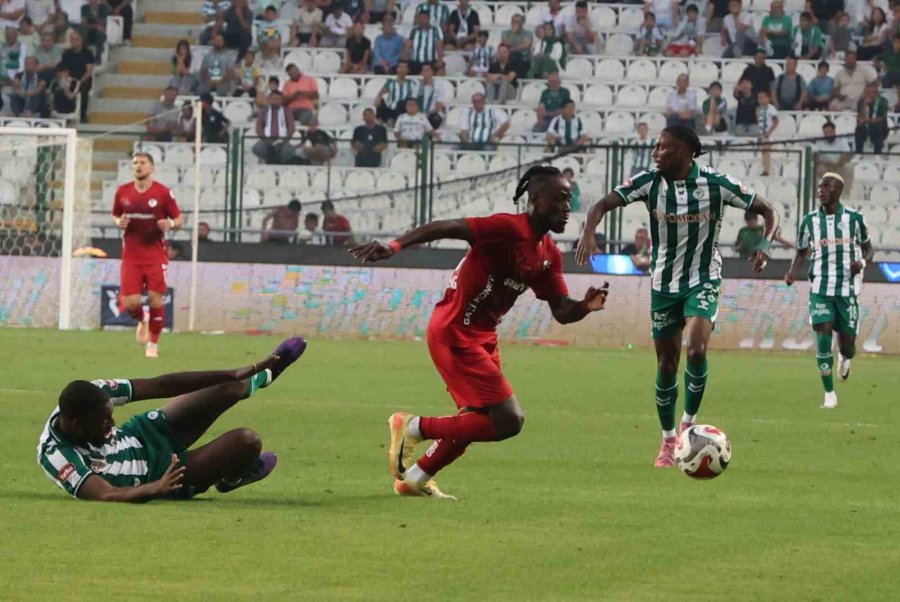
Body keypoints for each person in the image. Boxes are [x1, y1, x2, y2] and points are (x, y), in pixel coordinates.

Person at [349, 165, 609, 499]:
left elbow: (561, 311)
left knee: (477, 419)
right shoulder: (506, 228)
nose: (566, 207)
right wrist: (396, 246)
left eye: (569, 200)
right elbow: (446, 227)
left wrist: (585, 306)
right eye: (559, 199)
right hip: (455, 330)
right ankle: (412, 426)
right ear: (535, 200)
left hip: (484, 336)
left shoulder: (549, 255)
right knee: (508, 419)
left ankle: (414, 478)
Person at [576, 126, 777, 467]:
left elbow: (768, 210)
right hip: (663, 285)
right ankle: (669, 440)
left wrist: (765, 244)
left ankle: (688, 422)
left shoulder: (717, 183)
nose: (655, 153)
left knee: (696, 349)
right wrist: (588, 231)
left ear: (682, 152)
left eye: (661, 148)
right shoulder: (649, 182)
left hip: (703, 279)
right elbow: (601, 204)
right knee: (667, 365)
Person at [36, 339, 306, 501]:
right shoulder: (57, 455)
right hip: (159, 473)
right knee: (247, 441)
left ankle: (268, 372)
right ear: (78, 425)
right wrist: (158, 487)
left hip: (144, 434)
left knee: (230, 387)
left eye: (111, 414)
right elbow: (106, 494)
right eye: (104, 421)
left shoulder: (95, 394)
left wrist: (228, 373)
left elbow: (161, 385)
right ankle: (232, 476)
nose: (111, 422)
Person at [784, 174, 873, 409]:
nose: (821, 189)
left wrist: (861, 263)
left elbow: (868, 249)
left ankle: (844, 357)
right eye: (820, 185)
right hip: (820, 287)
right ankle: (829, 394)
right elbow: (802, 251)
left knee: (848, 345)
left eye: (827, 186)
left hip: (848, 289)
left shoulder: (854, 219)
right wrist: (792, 271)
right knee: (822, 331)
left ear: (838, 191)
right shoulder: (809, 221)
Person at [111, 152, 184, 359]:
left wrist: (169, 224)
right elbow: (115, 214)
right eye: (135, 163)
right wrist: (118, 222)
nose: (138, 166)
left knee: (155, 299)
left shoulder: (162, 193)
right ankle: (142, 318)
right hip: (131, 256)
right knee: (131, 302)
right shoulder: (123, 192)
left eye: (143, 163)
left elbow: (179, 219)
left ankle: (153, 344)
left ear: (152, 168)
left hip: (154, 254)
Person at [253, 89, 296, 164]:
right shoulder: (264, 111)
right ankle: (270, 162)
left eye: (279, 99)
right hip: (266, 140)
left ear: (282, 100)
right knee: (257, 148)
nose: (276, 101)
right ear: (269, 100)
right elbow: (258, 127)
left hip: (282, 140)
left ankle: (279, 164)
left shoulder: (287, 111)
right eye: (274, 99)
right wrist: (264, 138)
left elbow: (291, 127)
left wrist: (285, 139)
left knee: (289, 150)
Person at [60, 29, 93, 121]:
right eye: (72, 39)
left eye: (76, 39)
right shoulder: (66, 54)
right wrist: (65, 83)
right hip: (70, 79)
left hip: (83, 79)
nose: (74, 41)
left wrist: (78, 83)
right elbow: (64, 71)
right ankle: (64, 113)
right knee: (60, 88)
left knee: (83, 89)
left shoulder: (87, 53)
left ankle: (82, 116)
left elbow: (89, 72)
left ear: (81, 40)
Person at [374, 60, 415, 125]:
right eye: (400, 67)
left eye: (404, 67)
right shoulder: (391, 83)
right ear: (397, 69)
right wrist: (378, 98)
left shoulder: (412, 84)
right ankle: (381, 122)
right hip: (390, 108)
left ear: (407, 70)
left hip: (402, 109)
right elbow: (380, 93)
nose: (401, 70)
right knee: (381, 102)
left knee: (401, 103)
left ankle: (393, 121)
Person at [814, 121, 854, 189]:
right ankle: (820, 195)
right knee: (816, 168)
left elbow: (847, 155)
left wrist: (836, 165)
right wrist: (823, 162)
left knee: (849, 167)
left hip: (839, 165)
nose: (828, 134)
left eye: (830, 131)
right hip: (826, 166)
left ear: (834, 131)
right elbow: (816, 157)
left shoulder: (842, 140)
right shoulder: (820, 142)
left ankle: (846, 195)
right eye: (826, 132)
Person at [404, 8, 443, 75]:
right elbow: (407, 47)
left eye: (425, 18)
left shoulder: (436, 30)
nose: (423, 21)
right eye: (421, 18)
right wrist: (405, 62)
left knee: (441, 70)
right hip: (415, 63)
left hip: (431, 62)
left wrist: (440, 60)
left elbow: (439, 47)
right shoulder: (413, 30)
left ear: (429, 19)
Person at [855, 81, 889, 154]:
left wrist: (867, 121)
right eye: (868, 92)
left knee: (877, 127)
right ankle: (858, 154)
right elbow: (860, 117)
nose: (870, 94)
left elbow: (880, 118)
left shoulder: (882, 101)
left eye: (873, 92)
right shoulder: (861, 101)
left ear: (876, 93)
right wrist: (864, 105)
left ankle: (877, 154)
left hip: (880, 128)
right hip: (865, 127)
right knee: (858, 129)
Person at [416, 63, 446, 128]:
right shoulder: (417, 85)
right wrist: (420, 114)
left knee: (434, 120)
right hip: (419, 113)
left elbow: (439, 105)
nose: (425, 72)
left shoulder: (439, 85)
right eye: (423, 70)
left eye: (428, 70)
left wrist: (428, 114)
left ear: (432, 72)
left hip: (433, 113)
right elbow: (414, 101)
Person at [756, 90, 779, 175]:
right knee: (763, 151)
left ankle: (767, 170)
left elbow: (776, 121)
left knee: (766, 150)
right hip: (762, 134)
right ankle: (765, 168)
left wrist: (769, 132)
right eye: (759, 98)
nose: (761, 100)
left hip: (769, 134)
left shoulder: (771, 108)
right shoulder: (759, 109)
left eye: (763, 97)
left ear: (768, 98)